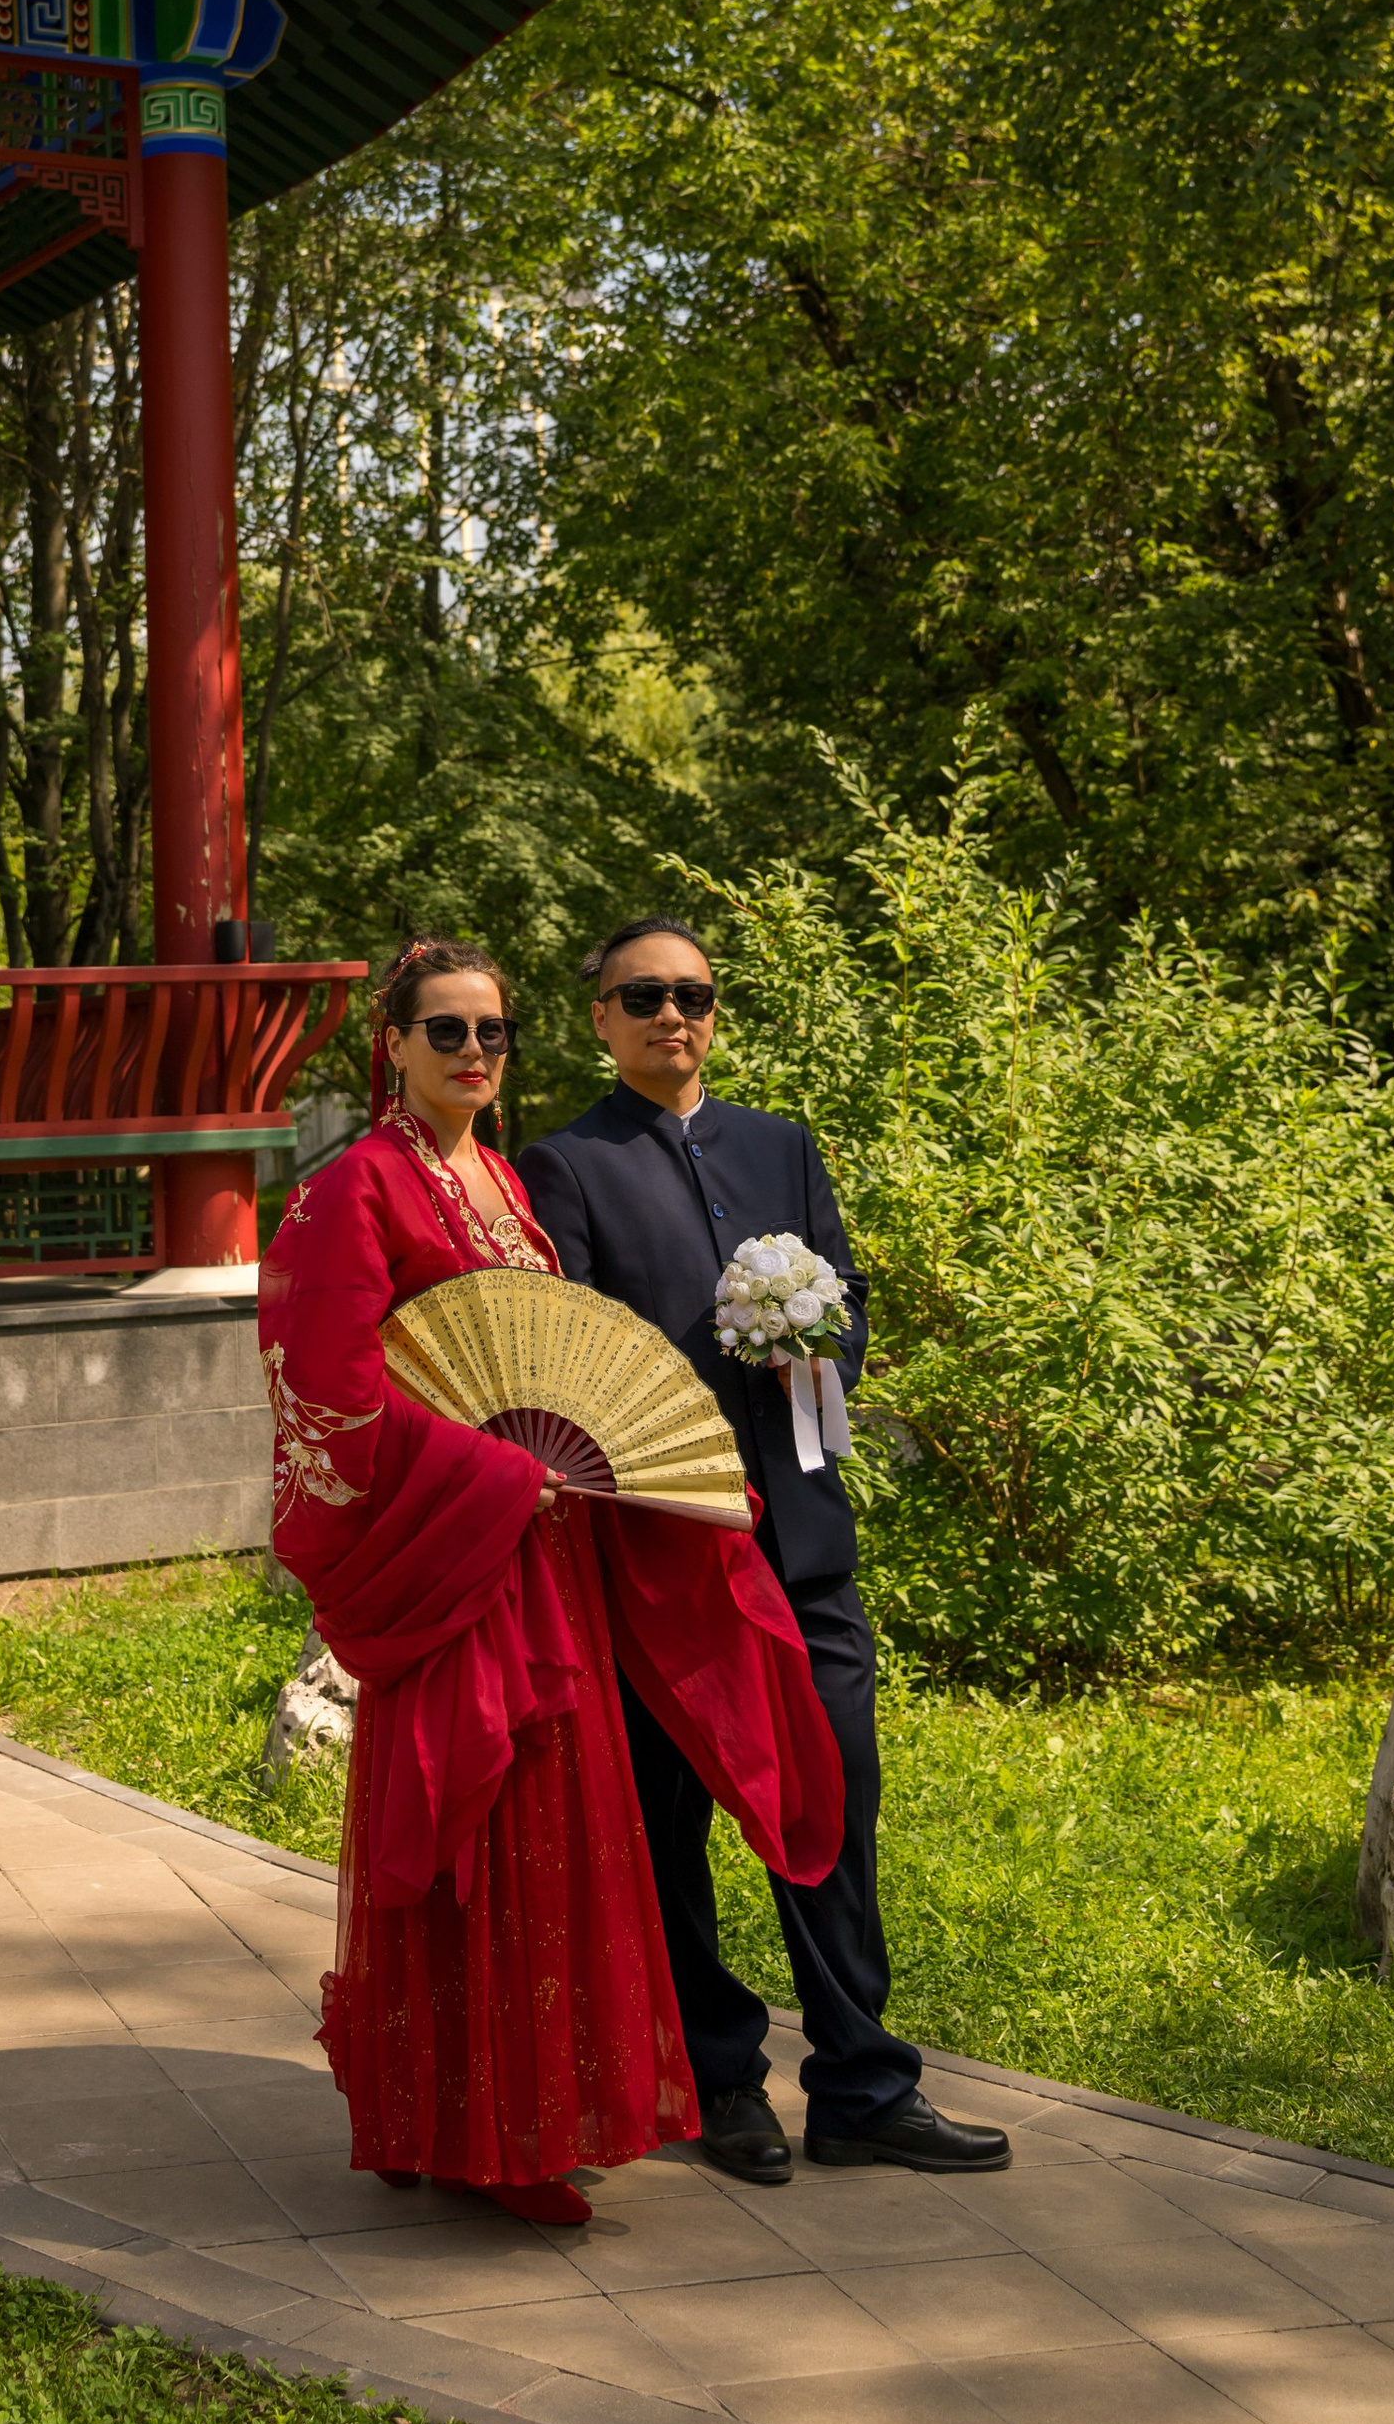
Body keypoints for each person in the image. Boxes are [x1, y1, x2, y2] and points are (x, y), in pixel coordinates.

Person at [259, 932, 847, 2230]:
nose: (474, 1053)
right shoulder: (352, 1190)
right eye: (447, 1031)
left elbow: (561, 1365)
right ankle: (473, 2137)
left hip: (550, 1562)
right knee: (470, 1836)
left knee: (550, 1834)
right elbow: (331, 1393)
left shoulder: (503, 1191)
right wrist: (485, 1477)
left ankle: (491, 2117)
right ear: (394, 1045)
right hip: (458, 1555)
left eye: (492, 1033)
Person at [518, 917, 1011, 2186]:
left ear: (713, 1013)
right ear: (602, 1021)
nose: (670, 1015)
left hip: (800, 1532)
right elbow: (572, 1350)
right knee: (671, 1824)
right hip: (666, 1551)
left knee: (832, 1799)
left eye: (691, 995)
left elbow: (842, 1291)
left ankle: (861, 2085)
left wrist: (809, 1336)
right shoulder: (565, 1165)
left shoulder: (780, 1145)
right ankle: (720, 2079)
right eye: (643, 997)